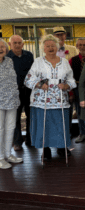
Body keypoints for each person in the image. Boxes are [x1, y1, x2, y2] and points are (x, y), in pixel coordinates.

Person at [24, 34, 76, 160]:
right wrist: (40, 84)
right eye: (48, 46)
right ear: (43, 48)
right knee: (44, 126)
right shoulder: (38, 62)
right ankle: (45, 150)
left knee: (60, 125)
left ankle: (61, 147)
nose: (51, 48)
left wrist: (66, 85)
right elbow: (28, 79)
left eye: (53, 45)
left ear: (57, 47)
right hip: (42, 101)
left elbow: (71, 80)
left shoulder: (64, 62)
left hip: (60, 101)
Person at [6, 35, 34, 151]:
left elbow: (33, 72)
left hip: (29, 90)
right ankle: (17, 142)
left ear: (23, 44)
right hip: (13, 92)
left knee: (30, 116)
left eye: (19, 43)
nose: (17, 45)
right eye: (15, 43)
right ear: (10, 45)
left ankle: (30, 139)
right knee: (15, 118)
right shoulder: (6, 57)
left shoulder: (29, 55)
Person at [53, 26, 78, 140]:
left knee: (68, 110)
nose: (60, 37)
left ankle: (67, 132)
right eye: (57, 35)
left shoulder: (72, 49)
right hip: (54, 87)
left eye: (62, 34)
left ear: (65, 36)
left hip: (69, 85)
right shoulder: (49, 49)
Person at [0, 38, 22, 169]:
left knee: (10, 128)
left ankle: (8, 154)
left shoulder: (9, 61)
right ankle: (0, 157)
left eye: (2, 46)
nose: (1, 49)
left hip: (12, 100)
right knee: (0, 129)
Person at [69, 38, 85, 143]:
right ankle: (83, 133)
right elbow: (69, 77)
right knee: (79, 111)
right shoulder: (72, 60)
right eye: (80, 45)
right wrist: (71, 92)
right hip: (77, 88)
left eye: (84, 45)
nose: (82, 47)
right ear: (77, 46)